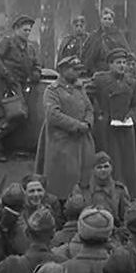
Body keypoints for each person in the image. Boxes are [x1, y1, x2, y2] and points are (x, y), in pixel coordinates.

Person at [0, 14, 41, 162]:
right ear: (15, 29)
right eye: (24, 29)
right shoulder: (7, 42)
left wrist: (35, 74)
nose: (27, 33)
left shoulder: (31, 48)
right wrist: (7, 75)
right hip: (2, 83)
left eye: (29, 30)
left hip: (17, 85)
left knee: (17, 115)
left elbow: (37, 65)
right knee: (0, 115)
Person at [34, 55, 95, 200]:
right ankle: (60, 203)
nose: (77, 73)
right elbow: (53, 114)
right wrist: (77, 125)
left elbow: (89, 109)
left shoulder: (80, 88)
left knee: (84, 175)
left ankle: (81, 202)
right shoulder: (52, 90)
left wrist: (87, 123)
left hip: (82, 139)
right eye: (73, 69)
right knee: (62, 178)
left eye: (78, 70)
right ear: (63, 70)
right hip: (61, 141)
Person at [86, 47, 136, 196]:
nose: (122, 66)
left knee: (128, 165)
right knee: (111, 162)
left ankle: (129, 196)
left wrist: (131, 116)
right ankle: (108, 195)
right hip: (107, 129)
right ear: (110, 64)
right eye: (118, 62)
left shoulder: (133, 83)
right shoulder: (100, 80)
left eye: (124, 62)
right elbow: (87, 96)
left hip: (126, 130)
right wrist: (98, 114)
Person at [82, 8, 131, 75]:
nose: (107, 21)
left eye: (109, 19)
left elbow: (126, 51)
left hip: (115, 69)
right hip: (97, 70)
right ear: (101, 20)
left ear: (113, 21)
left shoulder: (118, 35)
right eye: (105, 19)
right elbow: (88, 54)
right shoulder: (94, 36)